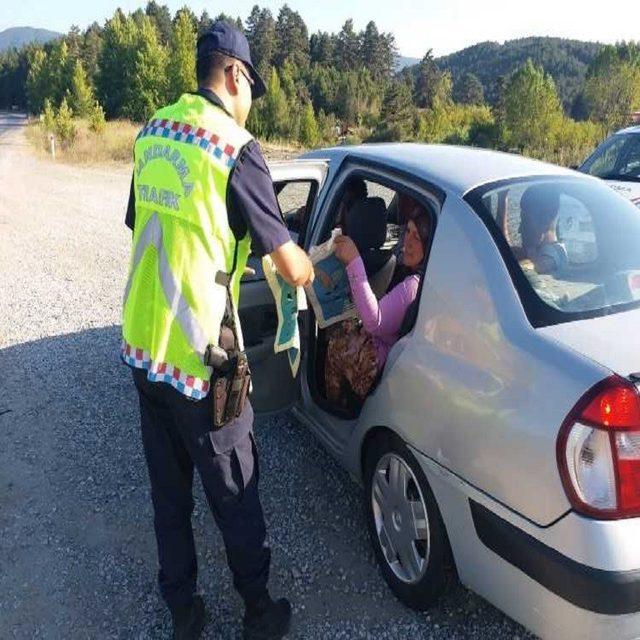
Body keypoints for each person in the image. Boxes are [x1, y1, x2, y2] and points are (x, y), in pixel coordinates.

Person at [121, 21, 314, 640]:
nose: (252, 96)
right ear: (234, 74)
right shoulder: (235, 148)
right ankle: (258, 611)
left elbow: (148, 224)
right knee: (234, 490)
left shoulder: (153, 131)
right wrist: (314, 260)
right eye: (252, 83)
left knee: (169, 495)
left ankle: (184, 612)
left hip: (145, 350)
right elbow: (287, 263)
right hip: (205, 361)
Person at [324, 210, 430, 405]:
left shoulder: (414, 285)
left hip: (383, 361)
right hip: (399, 354)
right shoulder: (429, 277)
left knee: (336, 343)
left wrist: (354, 262)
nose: (408, 242)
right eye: (408, 232)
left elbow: (374, 322)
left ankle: (333, 405)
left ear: (431, 245)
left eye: (418, 237)